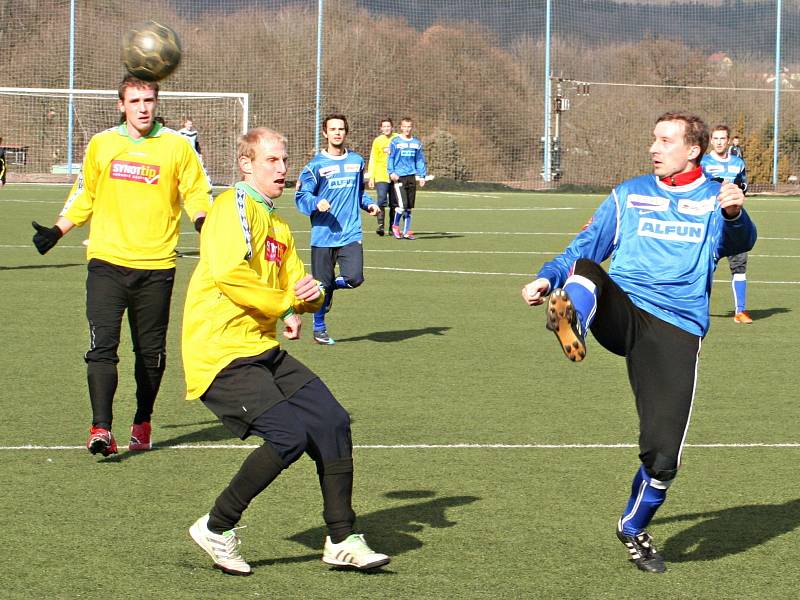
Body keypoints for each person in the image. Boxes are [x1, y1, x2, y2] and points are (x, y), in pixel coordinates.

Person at [521, 111, 756, 573]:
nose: (653, 148)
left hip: (677, 328)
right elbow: (585, 246)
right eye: (653, 139)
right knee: (587, 272)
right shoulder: (629, 194)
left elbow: (742, 239)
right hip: (623, 309)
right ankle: (574, 322)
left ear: (693, 150)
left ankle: (633, 526)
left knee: (663, 456)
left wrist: (734, 213)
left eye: (665, 141)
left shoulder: (714, 198)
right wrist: (547, 277)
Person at [184, 127, 390, 576]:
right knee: (288, 436)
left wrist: (308, 298)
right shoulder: (232, 206)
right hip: (219, 350)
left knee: (332, 421)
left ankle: (340, 539)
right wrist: (284, 304)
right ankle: (216, 526)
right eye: (272, 160)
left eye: (284, 160)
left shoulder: (276, 223)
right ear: (246, 164)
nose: (283, 169)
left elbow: (300, 288)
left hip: (260, 348)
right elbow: (229, 274)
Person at [31, 74, 210, 457]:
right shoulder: (102, 144)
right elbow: (85, 193)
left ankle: (142, 420)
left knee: (150, 354)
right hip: (107, 263)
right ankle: (101, 428)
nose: (143, 108)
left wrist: (202, 220)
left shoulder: (177, 147)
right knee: (102, 348)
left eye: (148, 100)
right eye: (135, 101)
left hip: (156, 267)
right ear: (121, 105)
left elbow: (195, 190)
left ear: (156, 103)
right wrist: (58, 230)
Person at [295, 114, 379, 345]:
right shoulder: (315, 166)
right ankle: (319, 328)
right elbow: (302, 196)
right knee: (321, 287)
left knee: (354, 278)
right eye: (332, 129)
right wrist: (316, 203)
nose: (337, 132)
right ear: (325, 133)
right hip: (323, 235)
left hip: (350, 232)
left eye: (341, 129)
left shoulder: (356, 161)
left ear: (346, 132)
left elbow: (358, 192)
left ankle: (329, 287)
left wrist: (369, 204)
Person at [701, 125, 752, 323]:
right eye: (716, 138)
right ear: (711, 141)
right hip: (710, 220)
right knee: (704, 265)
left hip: (732, 220)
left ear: (729, 140)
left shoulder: (737, 163)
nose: (720, 142)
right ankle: (698, 308)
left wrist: (737, 193)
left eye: (723, 138)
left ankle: (740, 311)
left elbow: (743, 185)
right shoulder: (703, 163)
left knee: (739, 263)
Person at [387, 117, 427, 239]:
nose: (407, 129)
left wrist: (422, 175)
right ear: (401, 127)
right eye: (404, 126)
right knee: (402, 205)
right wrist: (391, 172)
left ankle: (405, 232)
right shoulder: (395, 142)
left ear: (412, 127)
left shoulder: (416, 143)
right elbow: (391, 158)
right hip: (399, 177)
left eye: (409, 127)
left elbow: (419, 160)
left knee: (409, 207)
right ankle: (395, 226)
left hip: (411, 176)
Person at [366, 118, 398, 236]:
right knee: (381, 200)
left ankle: (392, 227)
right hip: (381, 175)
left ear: (392, 127)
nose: (386, 128)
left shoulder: (398, 138)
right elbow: (373, 159)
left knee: (395, 203)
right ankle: (381, 226)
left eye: (388, 126)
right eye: (384, 126)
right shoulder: (378, 141)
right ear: (381, 128)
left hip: (395, 176)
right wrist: (371, 177)